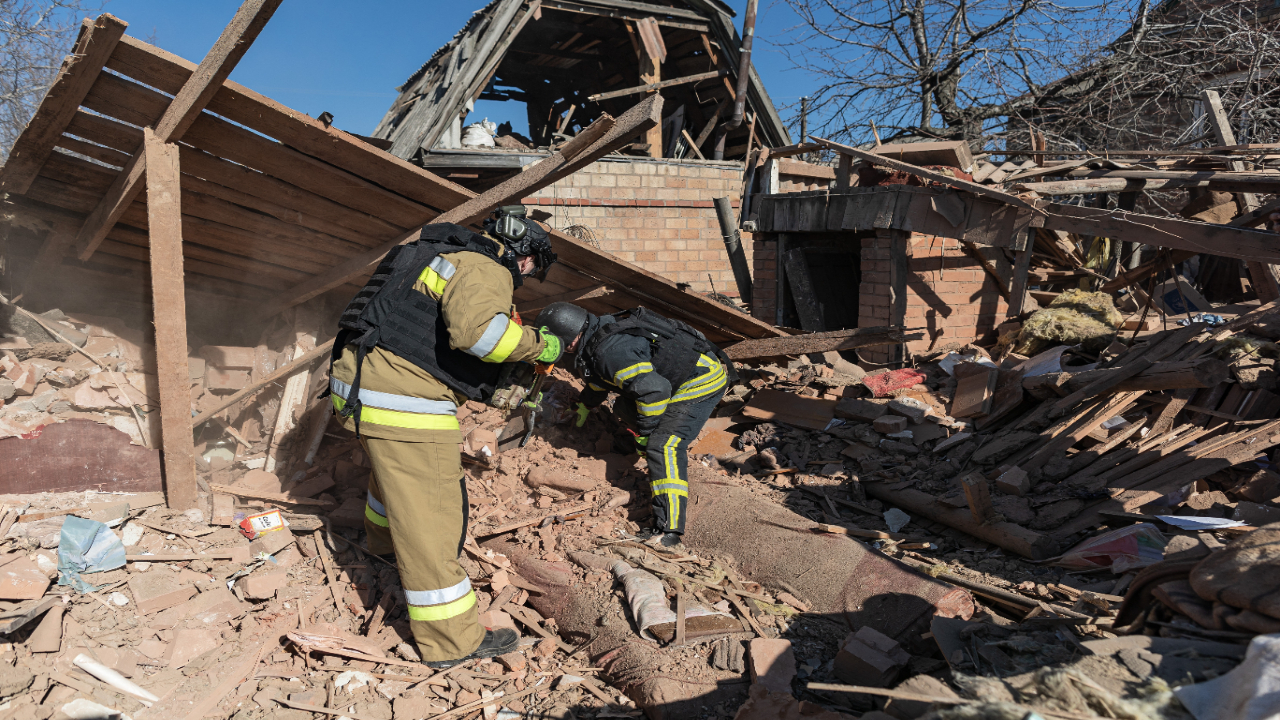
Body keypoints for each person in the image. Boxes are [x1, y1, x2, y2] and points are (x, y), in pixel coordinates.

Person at [327, 207, 562, 668]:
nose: (529, 274)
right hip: (403, 404)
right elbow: (483, 338)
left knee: (393, 478)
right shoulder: (487, 268)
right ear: (524, 254)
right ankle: (451, 641)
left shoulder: (435, 253)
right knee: (432, 518)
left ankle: (382, 548)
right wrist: (539, 344)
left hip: (356, 390)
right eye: (533, 264)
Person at [537, 303, 734, 547]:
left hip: (700, 381)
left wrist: (648, 433)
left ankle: (668, 532)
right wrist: (586, 404)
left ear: (568, 340)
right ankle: (650, 440)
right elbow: (602, 377)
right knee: (622, 407)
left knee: (664, 446)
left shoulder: (610, 352)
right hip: (672, 378)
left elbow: (655, 391)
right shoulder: (596, 336)